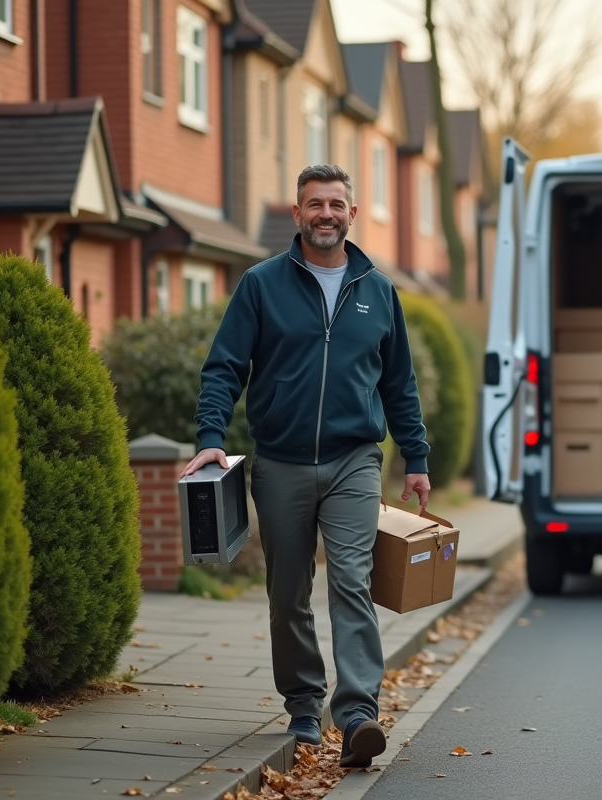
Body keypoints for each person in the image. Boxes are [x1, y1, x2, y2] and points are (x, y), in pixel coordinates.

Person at [181, 164, 430, 769]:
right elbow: (223, 368)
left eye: (336, 204)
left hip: (354, 461)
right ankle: (302, 703)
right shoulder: (262, 285)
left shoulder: (378, 289)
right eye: (314, 204)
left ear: (351, 214)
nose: (326, 213)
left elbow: (399, 382)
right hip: (281, 463)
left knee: (351, 580)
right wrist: (211, 435)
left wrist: (416, 458)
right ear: (297, 214)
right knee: (288, 590)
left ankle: (356, 715)